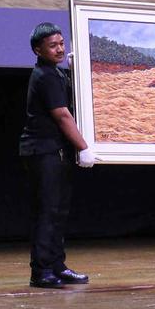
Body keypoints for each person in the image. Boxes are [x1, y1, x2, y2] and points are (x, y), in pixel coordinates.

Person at [18, 22, 96, 288]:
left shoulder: (55, 73)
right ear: (38, 50)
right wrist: (84, 147)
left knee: (59, 211)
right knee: (47, 211)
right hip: (42, 151)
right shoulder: (45, 75)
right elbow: (62, 115)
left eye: (62, 43)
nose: (60, 49)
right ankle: (41, 272)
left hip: (56, 151)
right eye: (53, 46)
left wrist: (76, 72)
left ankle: (56, 266)